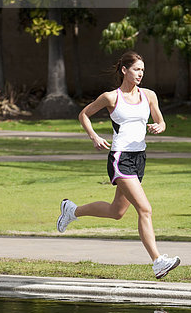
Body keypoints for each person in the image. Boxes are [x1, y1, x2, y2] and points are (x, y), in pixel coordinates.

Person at [56, 50, 180, 279]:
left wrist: (159, 126)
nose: (140, 73)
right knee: (145, 209)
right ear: (124, 70)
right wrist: (94, 136)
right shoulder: (111, 97)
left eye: (142, 70)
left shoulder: (149, 95)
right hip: (120, 158)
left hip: (139, 158)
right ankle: (157, 262)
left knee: (116, 212)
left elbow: (160, 120)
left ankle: (72, 211)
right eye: (136, 69)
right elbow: (84, 114)